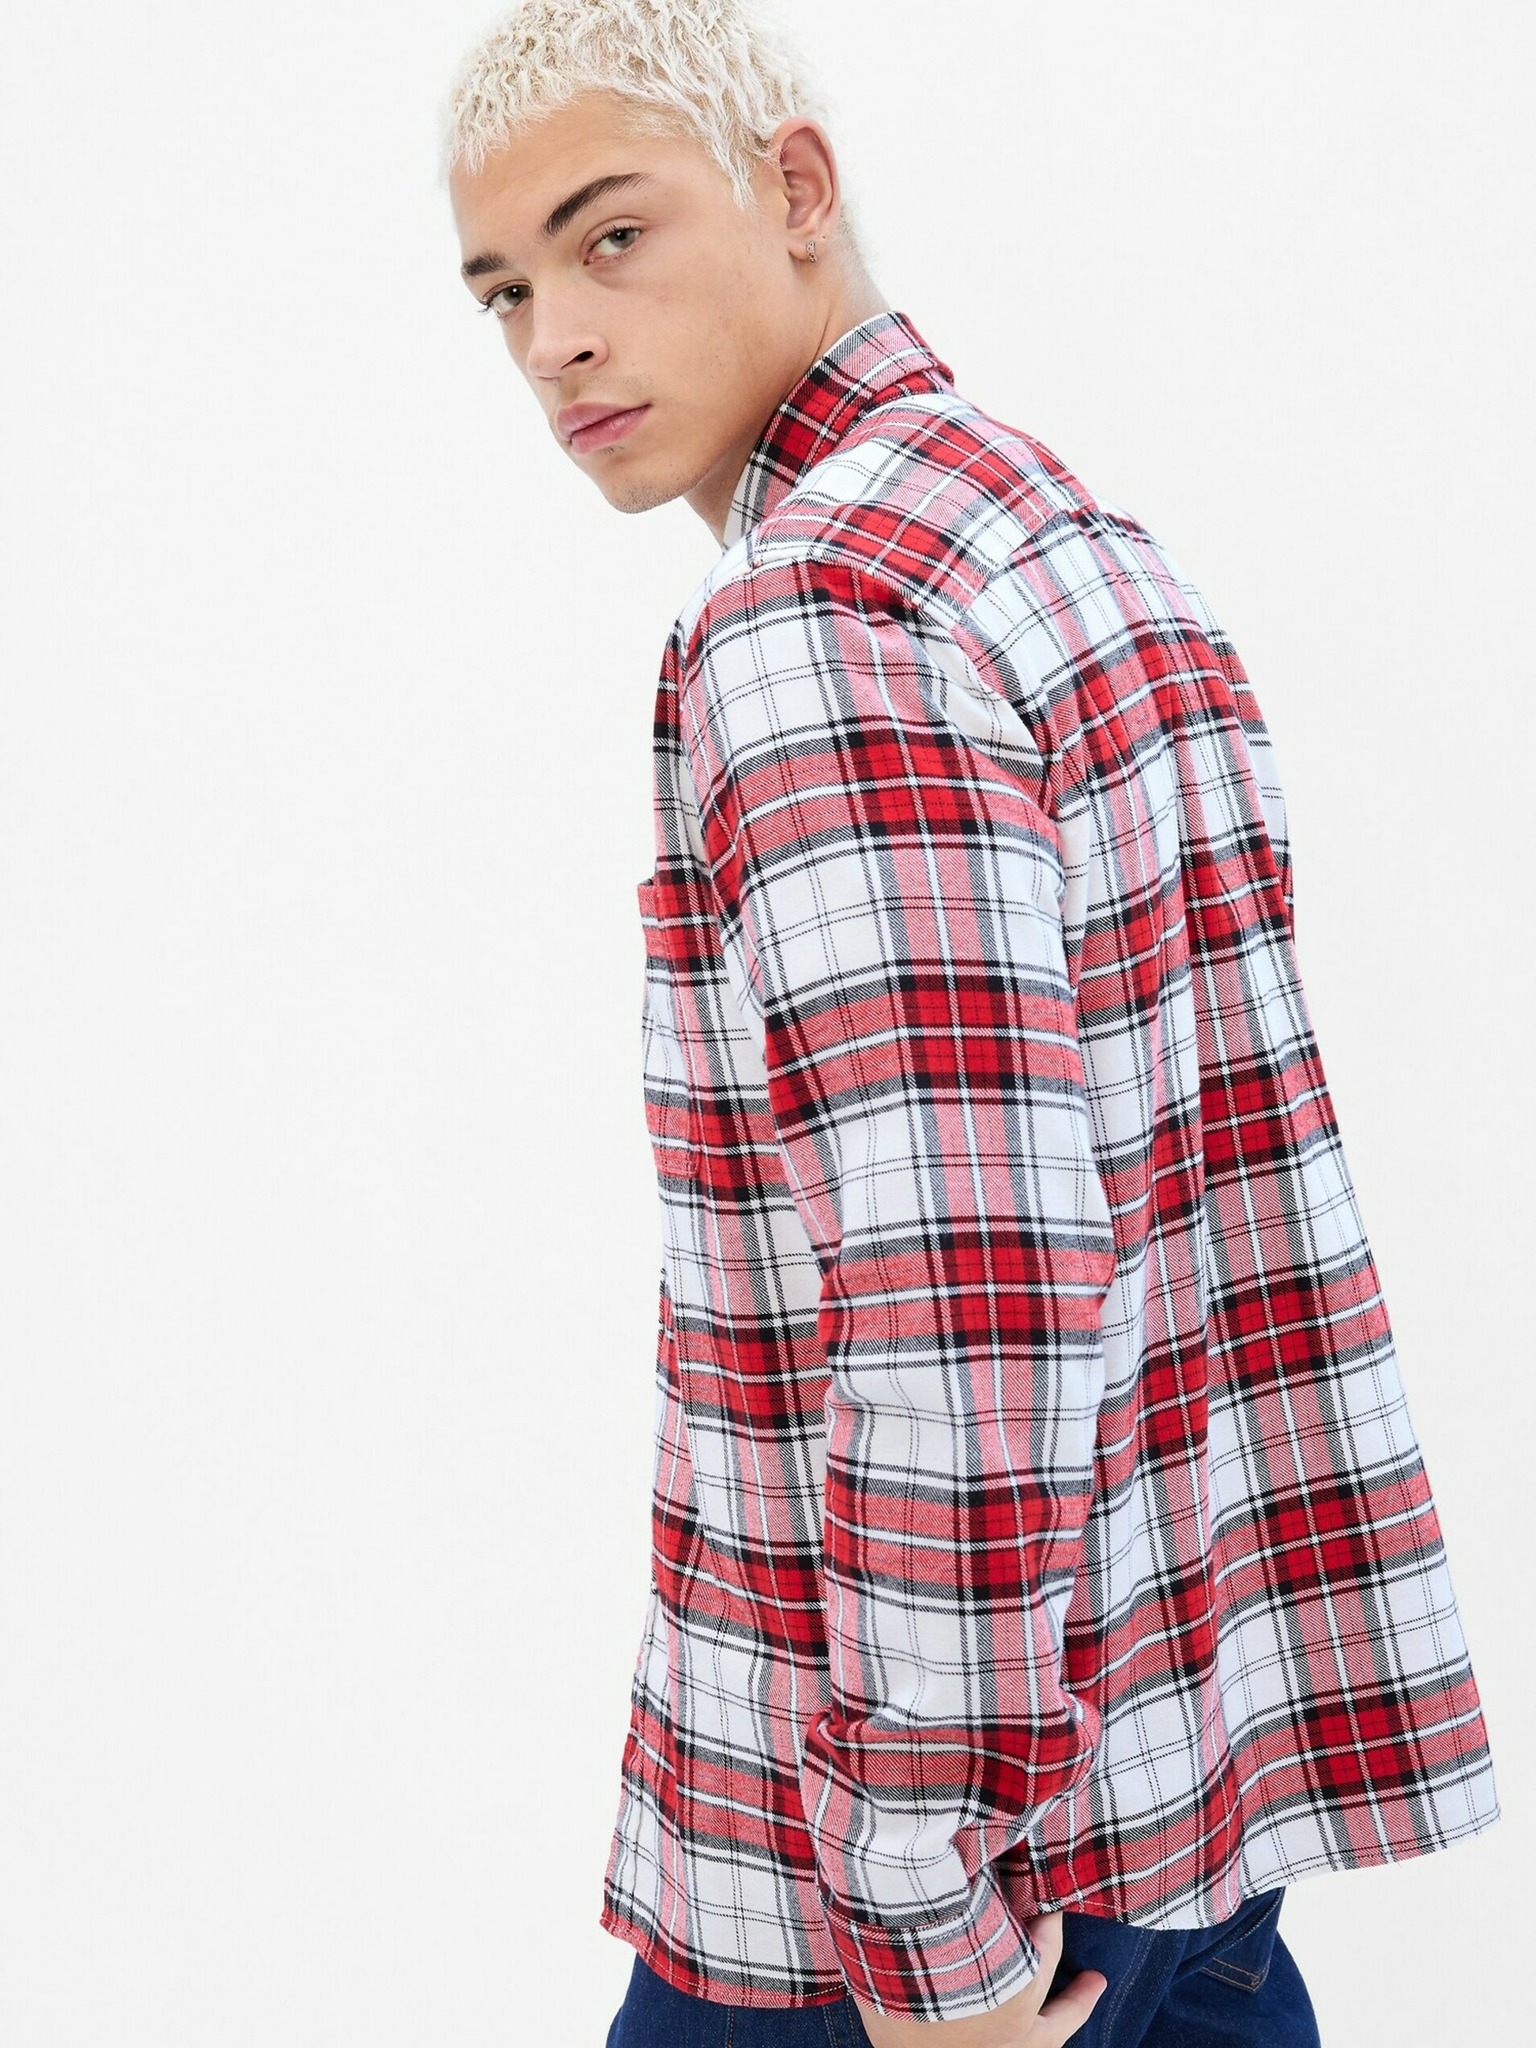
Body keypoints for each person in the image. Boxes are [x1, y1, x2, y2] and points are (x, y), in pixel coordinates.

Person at [438, 5, 1501, 2043]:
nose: (553, 338)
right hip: (1182, 1810)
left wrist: (925, 1906)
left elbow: (968, 1296)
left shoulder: (817, 622)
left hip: (934, 1913)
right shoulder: (1057, 537)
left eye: (609, 238)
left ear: (797, 187)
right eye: (503, 291)